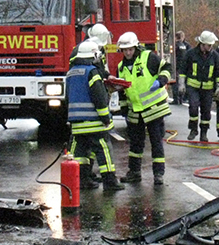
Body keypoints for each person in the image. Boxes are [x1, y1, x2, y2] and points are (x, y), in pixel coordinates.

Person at [65, 40, 125, 191]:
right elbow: (99, 98)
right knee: (103, 150)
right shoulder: (92, 73)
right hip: (94, 122)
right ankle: (110, 182)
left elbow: (67, 97)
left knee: (80, 153)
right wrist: (106, 118)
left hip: (76, 124)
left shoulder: (71, 73)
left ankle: (83, 180)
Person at [116, 31, 172, 185]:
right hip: (135, 110)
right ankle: (134, 172)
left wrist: (161, 81)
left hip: (154, 108)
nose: (128, 52)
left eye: (130, 49)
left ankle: (158, 174)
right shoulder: (121, 68)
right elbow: (121, 92)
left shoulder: (148, 57)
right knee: (135, 143)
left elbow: (166, 67)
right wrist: (124, 110)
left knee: (156, 141)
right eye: (125, 50)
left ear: (136, 47)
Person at [178, 30, 219, 141]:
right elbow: (183, 69)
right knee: (193, 108)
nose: (211, 47)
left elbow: (218, 72)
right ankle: (193, 129)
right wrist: (181, 84)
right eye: (209, 45)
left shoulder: (215, 56)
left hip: (208, 89)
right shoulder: (190, 54)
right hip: (193, 87)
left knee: (206, 112)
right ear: (202, 44)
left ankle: (204, 133)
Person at [171, 31, 190, 105]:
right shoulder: (183, 45)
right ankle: (181, 99)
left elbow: (174, 55)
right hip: (183, 65)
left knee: (175, 82)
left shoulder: (176, 45)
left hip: (177, 65)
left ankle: (176, 99)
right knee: (181, 82)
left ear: (176, 37)